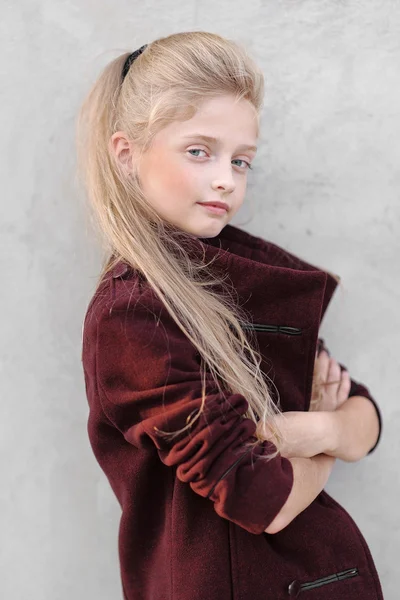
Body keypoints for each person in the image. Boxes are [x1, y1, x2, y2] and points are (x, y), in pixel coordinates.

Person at [77, 31, 383, 600]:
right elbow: (261, 498)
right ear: (127, 155)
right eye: (200, 151)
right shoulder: (130, 319)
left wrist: (314, 430)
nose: (226, 178)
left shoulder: (230, 280)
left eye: (242, 161)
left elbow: (364, 420)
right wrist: (328, 448)